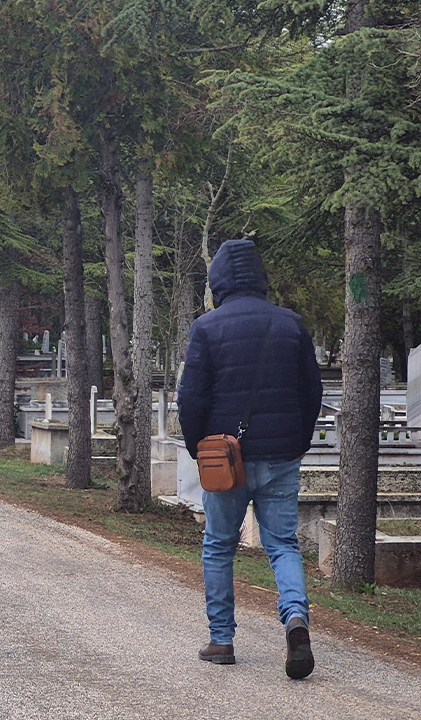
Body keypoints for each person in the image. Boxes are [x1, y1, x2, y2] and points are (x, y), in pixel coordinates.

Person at [177, 239, 323, 679]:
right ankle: (295, 618)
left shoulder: (207, 327)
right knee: (282, 544)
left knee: (219, 544)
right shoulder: (292, 324)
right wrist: (298, 442)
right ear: (260, 277)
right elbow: (311, 392)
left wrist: (197, 447)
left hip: (225, 457)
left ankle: (221, 640)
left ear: (218, 279)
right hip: (281, 455)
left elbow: (191, 398)